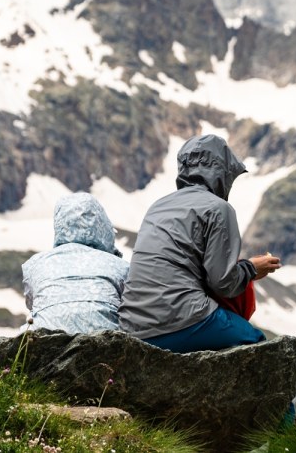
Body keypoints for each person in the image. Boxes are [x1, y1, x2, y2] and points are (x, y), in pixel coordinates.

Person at [119, 134, 281, 353]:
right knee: (256, 343)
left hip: (132, 328)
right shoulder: (218, 209)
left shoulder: (158, 206)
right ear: (222, 173)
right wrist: (251, 269)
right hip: (180, 320)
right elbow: (222, 283)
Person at [22, 192, 129, 333]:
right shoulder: (120, 266)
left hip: (44, 341)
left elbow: (32, 303)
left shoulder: (34, 264)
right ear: (103, 225)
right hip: (107, 341)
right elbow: (131, 308)